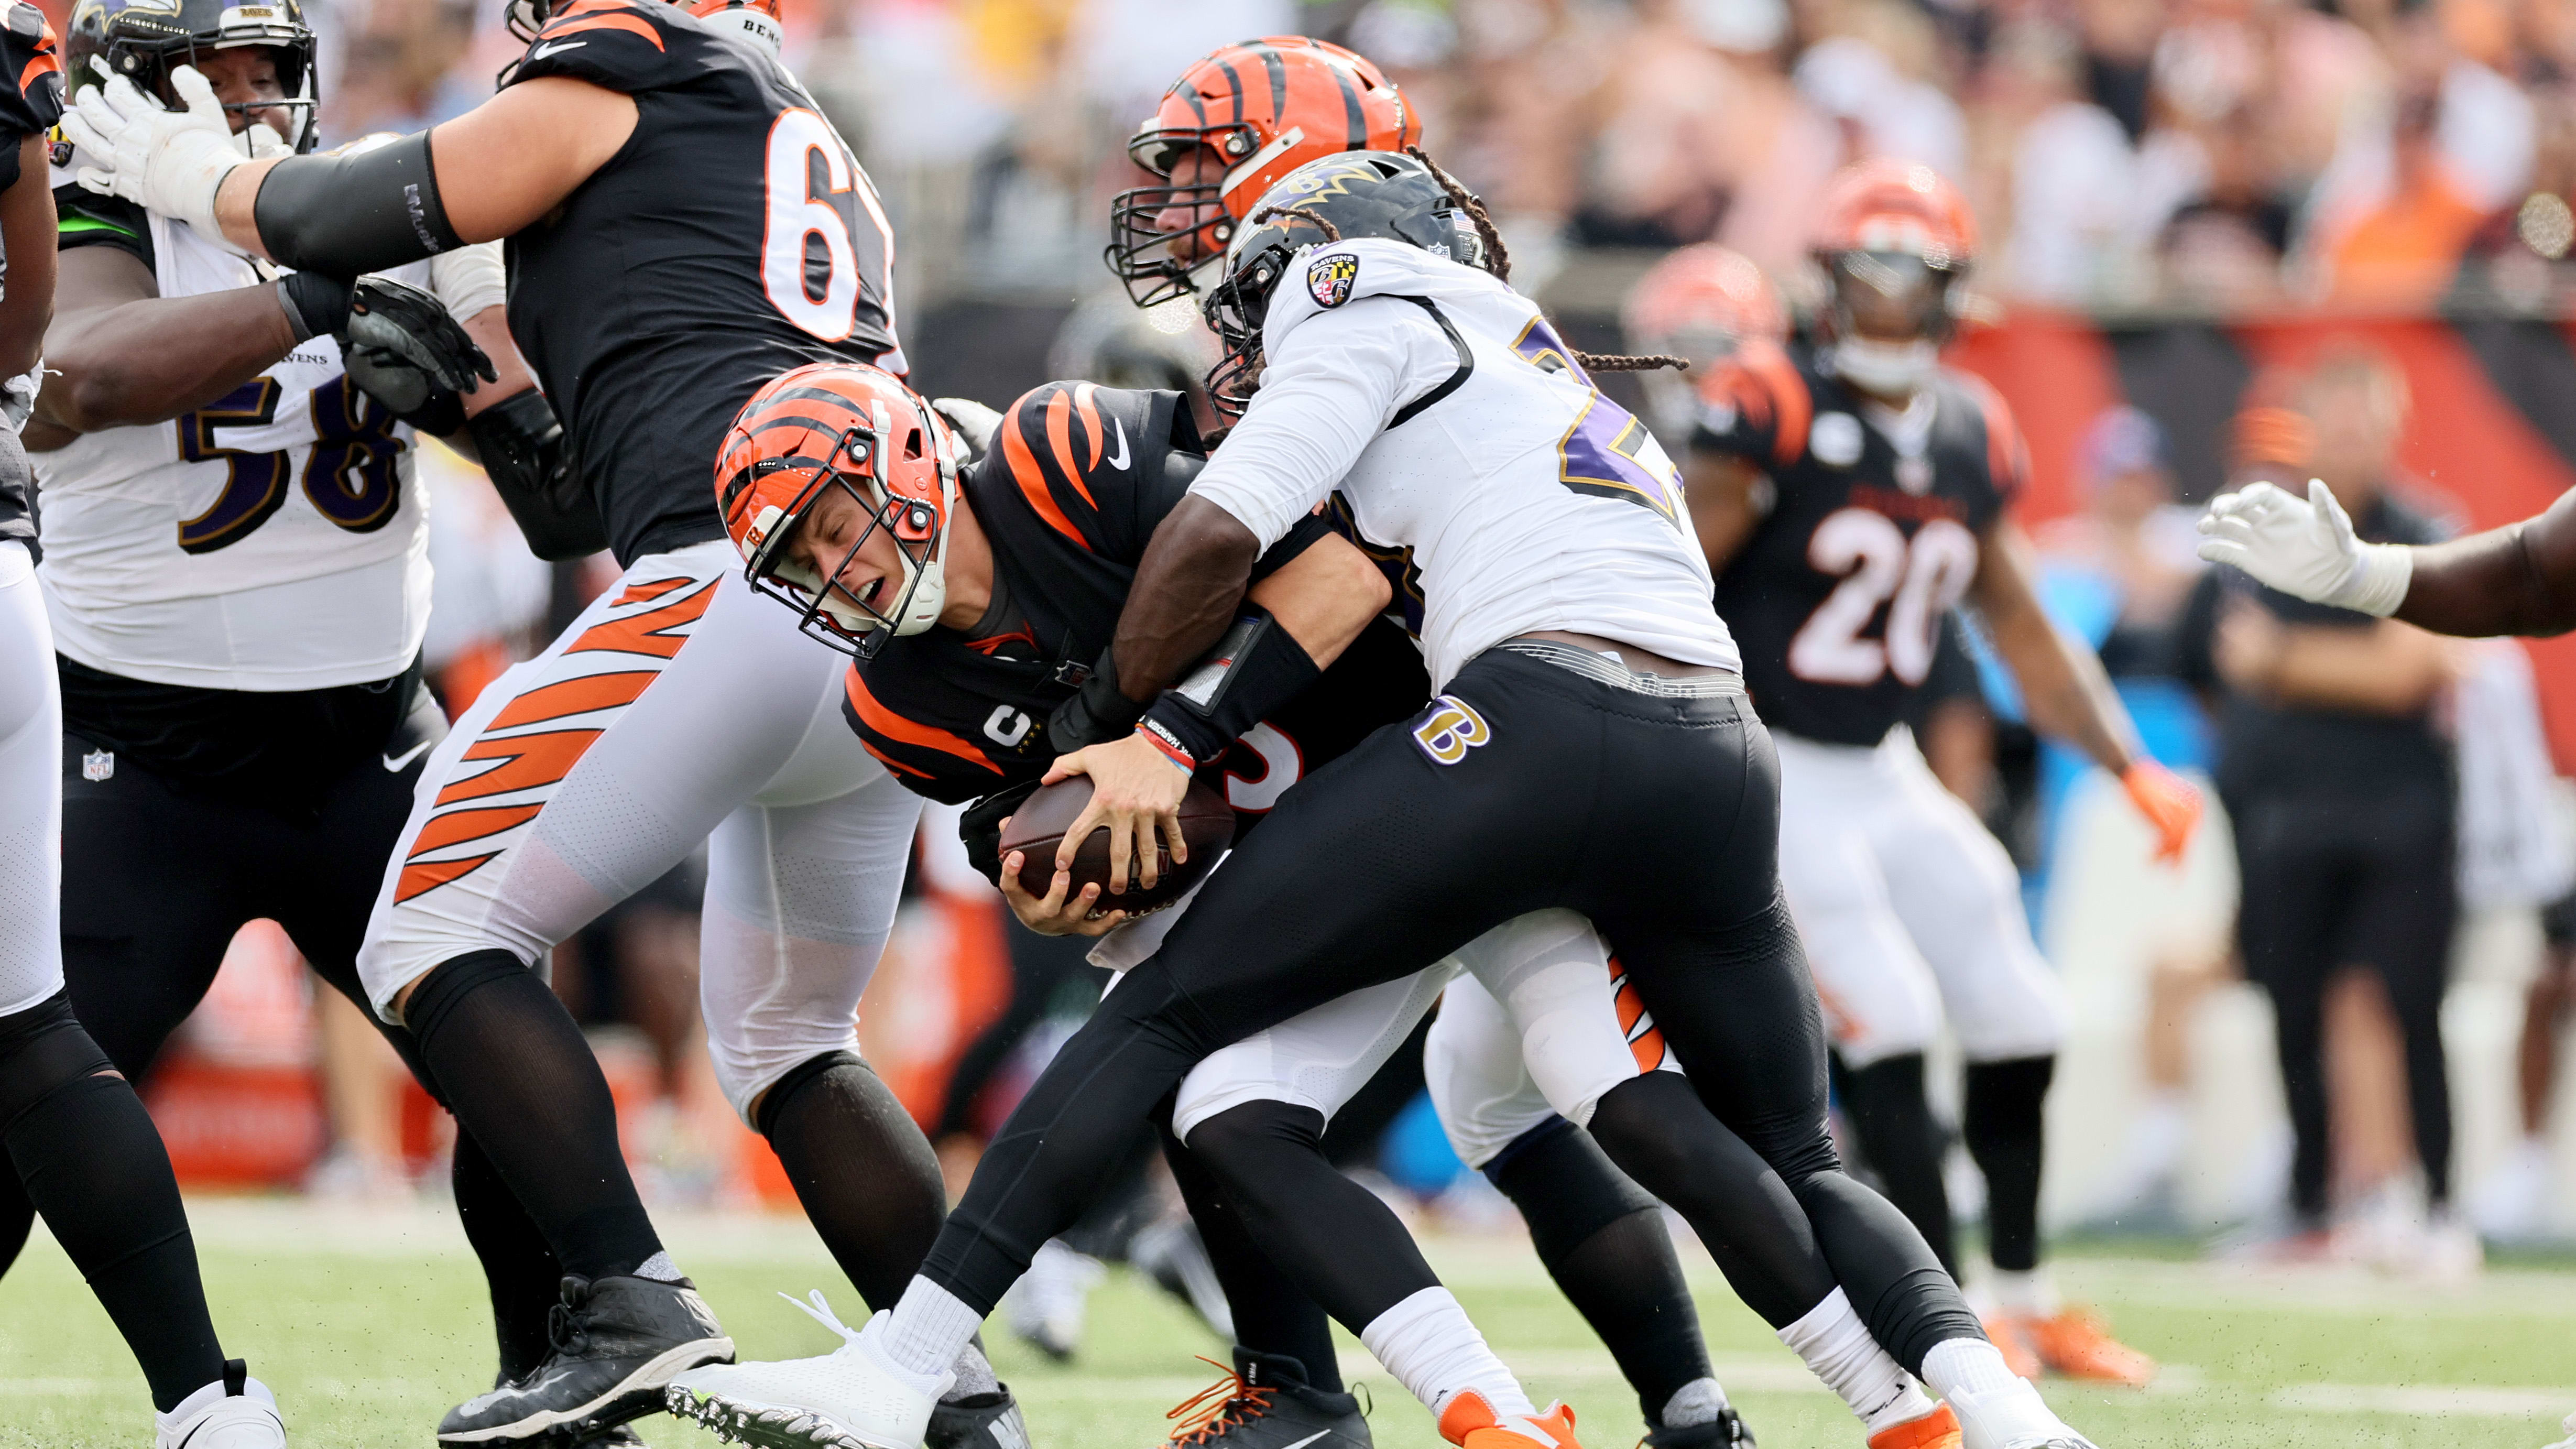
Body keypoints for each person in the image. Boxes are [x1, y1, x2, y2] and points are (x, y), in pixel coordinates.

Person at [674, 148, 2108, 1449]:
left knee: (1171, 1015)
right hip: (1716, 742)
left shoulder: (1348, 308)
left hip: (1525, 725)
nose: (1243, 327)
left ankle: (902, 1360)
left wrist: (1155, 738)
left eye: (1259, 278)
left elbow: (1239, 534)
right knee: (1724, 1134)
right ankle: (1962, 1409)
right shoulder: (1537, 358)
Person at [59, 3, 1019, 1445]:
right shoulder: (776, 135)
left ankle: (626, 1296)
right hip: (870, 615)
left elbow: (326, 207)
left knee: (430, 933)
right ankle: (960, 1395)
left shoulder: (632, 64)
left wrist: (216, 186)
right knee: (787, 1037)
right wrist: (446, 376)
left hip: (736, 576)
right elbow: (570, 487)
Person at [676, 362, 1784, 1449]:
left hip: (1432, 764)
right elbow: (1030, 825)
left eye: (833, 524)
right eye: (799, 560)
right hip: (1299, 856)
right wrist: (1051, 892)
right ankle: (1405, 1399)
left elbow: (1339, 577)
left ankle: (926, 1363)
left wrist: (1165, 736)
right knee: (1246, 1087)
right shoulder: (898, 700)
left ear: (908, 462)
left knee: (1570, 1100)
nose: (834, 568)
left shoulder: (1059, 458)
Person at [10, 2, 608, 1435]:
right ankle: (206, 1395)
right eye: (216, 72)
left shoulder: (364, 199)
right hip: (141, 761)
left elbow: (554, 509)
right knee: (22, 1091)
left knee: (517, 1085)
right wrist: (322, 297)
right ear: (128, 82)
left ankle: (563, 1370)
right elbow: (80, 377)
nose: (253, 100)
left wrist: (497, 386)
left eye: (272, 70)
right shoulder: (86, 214)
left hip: (369, 748)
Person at [1675, 161, 2196, 1384]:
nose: (1889, 302)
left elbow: (2018, 623)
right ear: (1828, 281)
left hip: (1886, 766)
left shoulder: (1972, 425)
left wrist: (2129, 769)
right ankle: (1943, 1322)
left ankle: (2024, 1297)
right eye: (1870, 273)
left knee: (2023, 1011)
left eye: (1914, 278)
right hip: (1779, 764)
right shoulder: (1772, 402)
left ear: (1952, 291)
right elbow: (1675, 576)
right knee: (1894, 1022)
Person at [0, 7, 297, 1447]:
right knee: (31, 1034)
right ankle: (204, 1403)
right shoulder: (20, 65)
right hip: (11, 590)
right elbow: (27, 346)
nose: (252, 93)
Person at [2182, 348, 2469, 1271]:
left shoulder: (2426, 529)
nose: (2350, 438)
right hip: (2282, 815)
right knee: (2293, 1004)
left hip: (2400, 813)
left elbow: (2411, 669)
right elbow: (2221, 655)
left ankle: (2432, 1198)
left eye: (2365, 418)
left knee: (2404, 1002)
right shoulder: (2268, 531)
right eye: (2333, 419)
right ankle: (2311, 1199)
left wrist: (2289, 664)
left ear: (2396, 426)